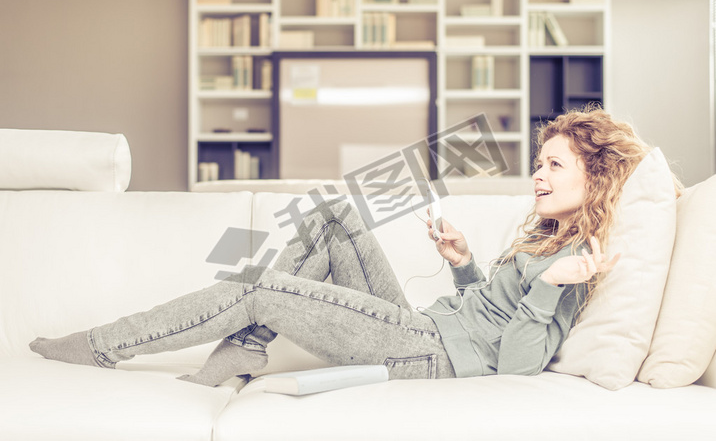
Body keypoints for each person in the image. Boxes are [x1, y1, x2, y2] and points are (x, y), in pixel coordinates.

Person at [32, 108, 648, 387]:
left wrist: (547, 287)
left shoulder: (575, 264)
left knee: (256, 287)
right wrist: (464, 267)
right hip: (421, 326)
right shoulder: (548, 237)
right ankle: (243, 352)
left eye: (555, 165)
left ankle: (103, 346)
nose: (538, 175)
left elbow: (514, 368)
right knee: (332, 214)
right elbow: (489, 312)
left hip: (430, 358)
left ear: (595, 176)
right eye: (539, 162)